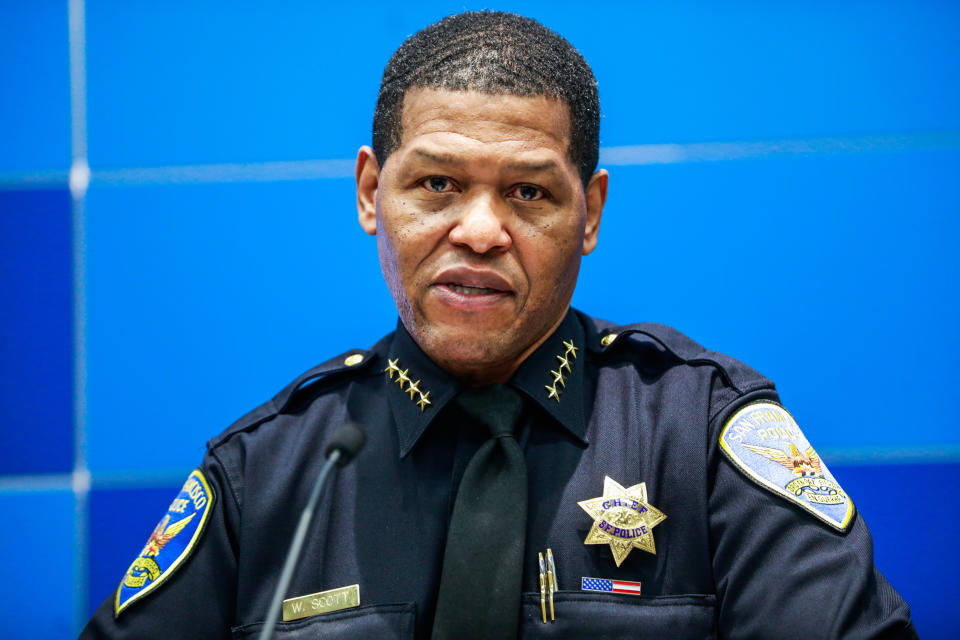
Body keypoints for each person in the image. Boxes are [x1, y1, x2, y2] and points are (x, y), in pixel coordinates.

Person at [82, 11, 916, 639]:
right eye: (438, 183)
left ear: (589, 212)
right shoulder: (265, 478)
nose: (480, 231)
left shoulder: (703, 436)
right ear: (372, 193)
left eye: (528, 193)